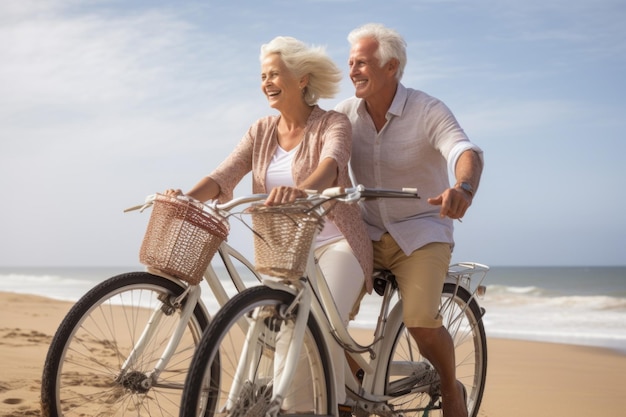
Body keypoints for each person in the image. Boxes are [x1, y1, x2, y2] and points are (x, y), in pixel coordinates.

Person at [165, 36, 372, 412]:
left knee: (310, 329)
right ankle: (328, 399)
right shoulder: (260, 130)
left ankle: (312, 408)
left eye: (275, 74)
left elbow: (332, 164)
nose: (266, 83)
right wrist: (186, 197)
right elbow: (223, 174)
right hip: (285, 250)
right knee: (272, 331)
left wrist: (301, 191)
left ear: (302, 79)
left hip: (337, 242)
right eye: (263, 76)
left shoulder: (332, 123)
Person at [336, 23, 484, 417]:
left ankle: (452, 390)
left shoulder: (427, 110)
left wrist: (463, 189)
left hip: (422, 230)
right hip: (365, 233)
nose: (353, 70)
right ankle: (356, 391)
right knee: (321, 315)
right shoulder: (345, 114)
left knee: (420, 322)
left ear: (391, 67)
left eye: (362, 63)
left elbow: (464, 150)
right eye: (351, 62)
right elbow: (319, 153)